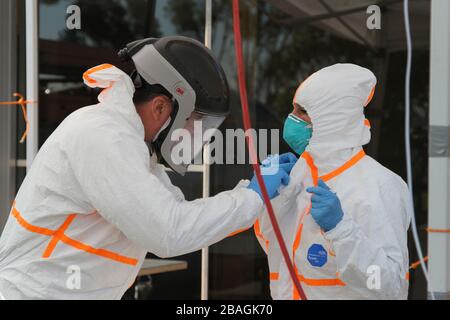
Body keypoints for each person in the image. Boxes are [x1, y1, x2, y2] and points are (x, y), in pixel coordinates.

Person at [0, 36, 296, 299]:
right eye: (196, 122)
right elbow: (169, 232)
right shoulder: (103, 136)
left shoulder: (136, 148)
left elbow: (181, 215)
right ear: (160, 108)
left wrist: (251, 190)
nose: (196, 136)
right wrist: (254, 195)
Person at [255, 63, 412, 300]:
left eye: (302, 112)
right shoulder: (299, 174)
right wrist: (270, 200)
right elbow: (275, 249)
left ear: (333, 119)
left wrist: (341, 230)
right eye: (293, 109)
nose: (291, 119)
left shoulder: (380, 185)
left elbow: (391, 286)